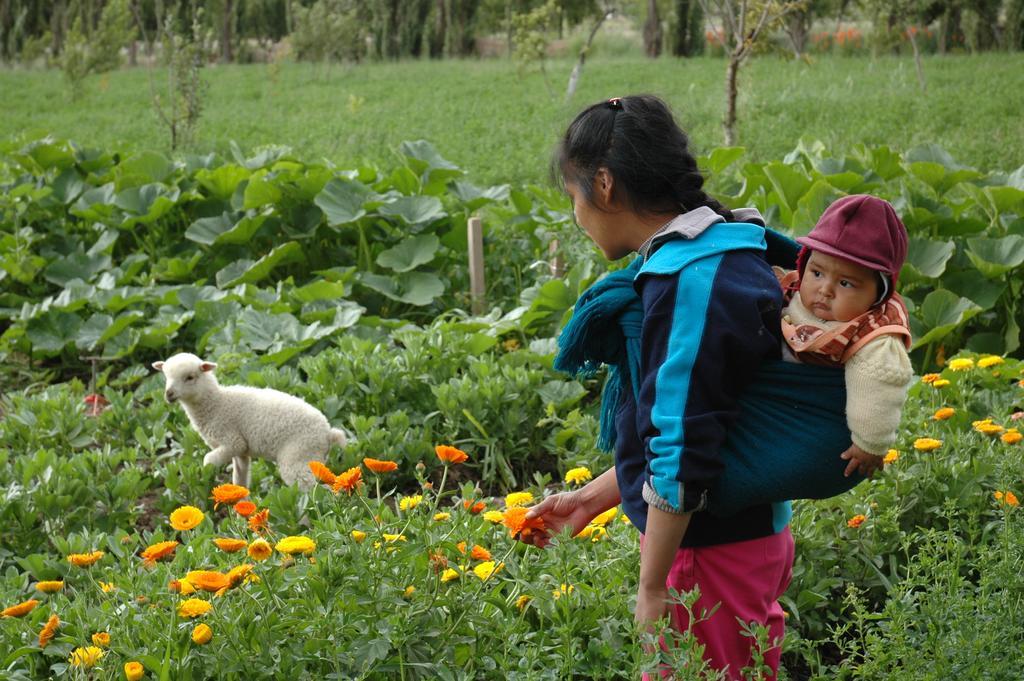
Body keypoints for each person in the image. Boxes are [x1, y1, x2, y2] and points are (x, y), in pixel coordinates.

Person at [523, 94, 801, 679]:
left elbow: (681, 445)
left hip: (709, 551)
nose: (575, 215)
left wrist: (652, 589)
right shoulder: (725, 245)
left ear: (603, 185)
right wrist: (593, 499)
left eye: (572, 196)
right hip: (745, 538)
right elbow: (714, 413)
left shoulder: (691, 281)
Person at [776, 194, 913, 479]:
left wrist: (870, 444)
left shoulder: (874, 336)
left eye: (846, 282)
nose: (825, 289)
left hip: (812, 413)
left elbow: (879, 388)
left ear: (878, 293)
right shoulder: (794, 291)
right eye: (816, 272)